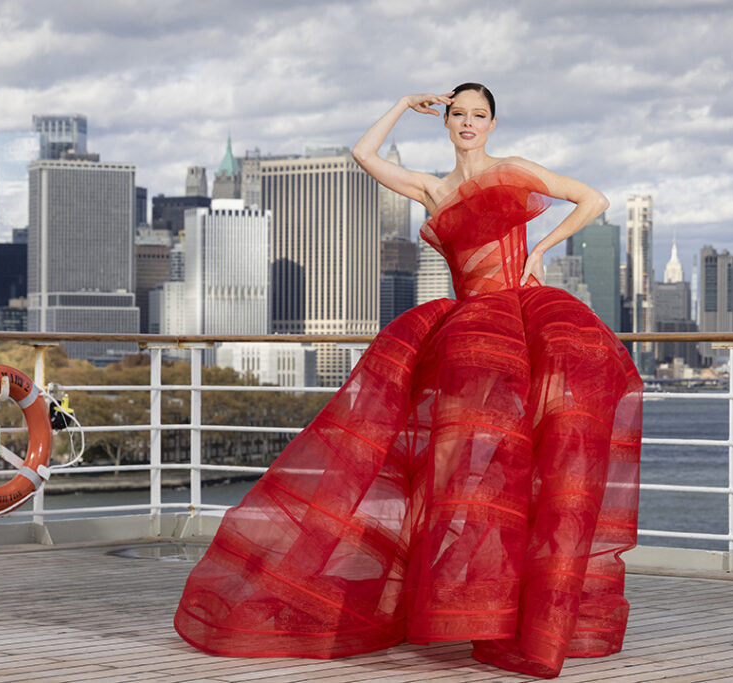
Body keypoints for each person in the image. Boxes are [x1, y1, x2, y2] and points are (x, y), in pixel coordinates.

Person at [174, 83, 643, 679]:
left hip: (519, 325)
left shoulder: (513, 170)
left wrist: (538, 251)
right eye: (459, 115)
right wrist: (401, 104)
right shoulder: (432, 188)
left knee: (522, 468)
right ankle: (481, 608)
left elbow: (593, 199)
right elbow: (364, 155)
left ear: (493, 124)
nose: (468, 124)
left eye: (479, 116)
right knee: (468, 473)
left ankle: (523, 617)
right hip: (466, 341)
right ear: (446, 122)